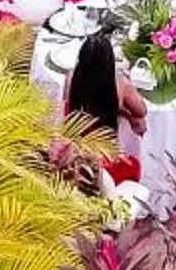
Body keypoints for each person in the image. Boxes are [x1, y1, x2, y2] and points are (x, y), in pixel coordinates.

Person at [61, 30, 145, 181]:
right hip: (102, 159)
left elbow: (82, 107)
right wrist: (129, 113)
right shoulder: (120, 84)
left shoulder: (71, 77)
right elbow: (141, 110)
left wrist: (124, 112)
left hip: (74, 149)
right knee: (135, 164)